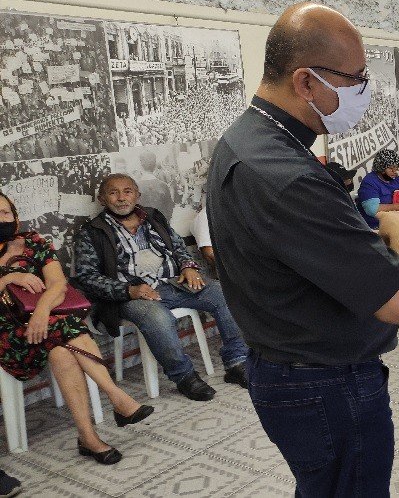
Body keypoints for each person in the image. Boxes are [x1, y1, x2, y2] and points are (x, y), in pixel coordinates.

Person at [206, 2, 399, 497]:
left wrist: (364, 240)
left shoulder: (247, 141)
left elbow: (291, 247)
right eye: (353, 79)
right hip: (327, 386)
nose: (363, 91)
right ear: (306, 82)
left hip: (290, 369)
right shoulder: (286, 176)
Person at [0, 192, 154, 465]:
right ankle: (117, 397)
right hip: (8, 335)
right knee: (67, 328)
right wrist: (11, 276)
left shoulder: (33, 242)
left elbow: (58, 285)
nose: (2, 218)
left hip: (45, 325)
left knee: (61, 349)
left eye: (5, 212)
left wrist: (41, 312)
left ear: (14, 214)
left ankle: (88, 437)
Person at [72, 174, 249, 401]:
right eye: (113, 193)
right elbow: (88, 278)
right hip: (134, 296)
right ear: (102, 199)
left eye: (127, 191)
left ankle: (237, 362)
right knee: (158, 318)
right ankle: (184, 377)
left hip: (175, 283)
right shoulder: (92, 232)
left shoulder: (153, 218)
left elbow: (178, 248)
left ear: (137, 195)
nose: (121, 198)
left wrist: (188, 266)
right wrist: (129, 291)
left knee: (224, 293)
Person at [136, 150, 175, 221]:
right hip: (161, 224)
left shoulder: (135, 187)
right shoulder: (163, 185)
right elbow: (169, 208)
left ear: (141, 165)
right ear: (154, 166)